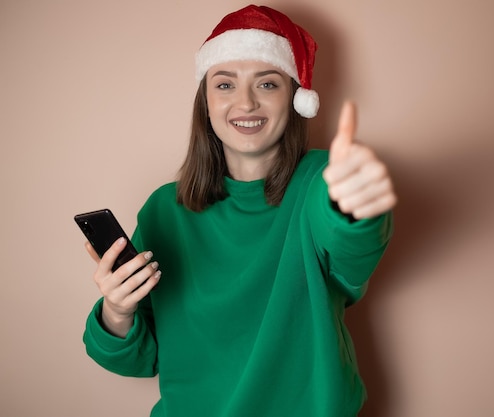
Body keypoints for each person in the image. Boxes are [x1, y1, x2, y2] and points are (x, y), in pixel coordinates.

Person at [82, 4, 396, 417]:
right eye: (225, 85)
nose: (245, 103)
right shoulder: (163, 209)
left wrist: (355, 205)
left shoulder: (322, 179)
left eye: (267, 84)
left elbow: (351, 252)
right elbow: (138, 359)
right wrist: (118, 309)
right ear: (206, 101)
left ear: (296, 99)